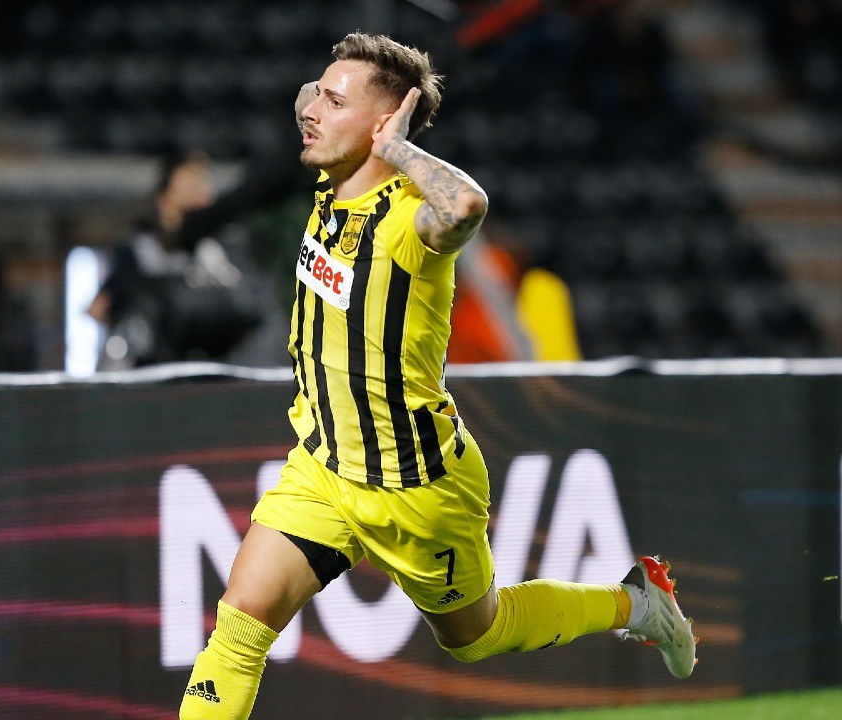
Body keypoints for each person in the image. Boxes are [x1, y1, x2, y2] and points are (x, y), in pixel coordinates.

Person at [178, 33, 696, 720]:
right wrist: (337, 95)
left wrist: (398, 147)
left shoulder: (409, 223)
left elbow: (467, 207)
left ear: (382, 128)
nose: (312, 111)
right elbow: (309, 106)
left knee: (477, 635)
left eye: (335, 102)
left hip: (415, 485)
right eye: (317, 95)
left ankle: (637, 603)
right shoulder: (330, 185)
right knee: (240, 622)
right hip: (324, 468)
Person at [88, 150, 259, 368]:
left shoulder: (219, 252)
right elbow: (98, 308)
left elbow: (247, 309)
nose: (199, 200)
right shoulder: (140, 250)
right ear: (164, 200)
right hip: (150, 369)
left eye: (200, 190)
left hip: (208, 366)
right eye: (188, 192)